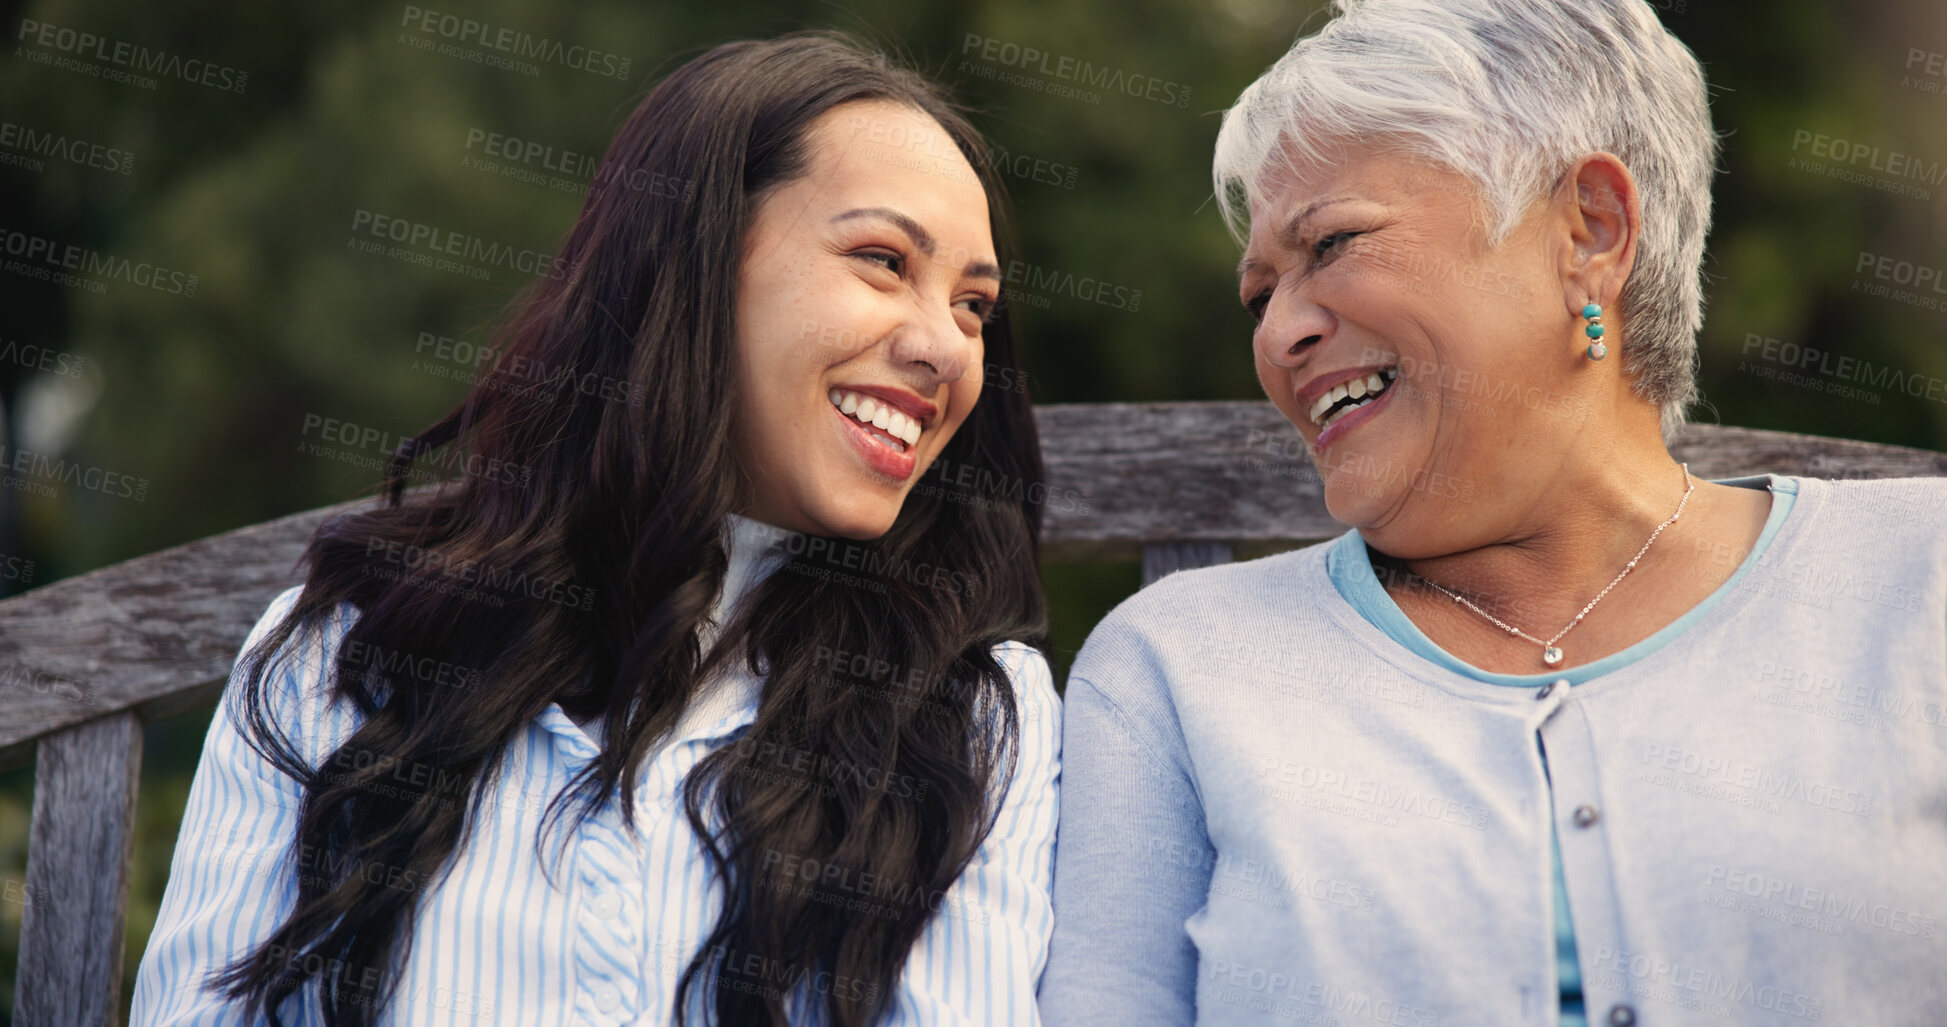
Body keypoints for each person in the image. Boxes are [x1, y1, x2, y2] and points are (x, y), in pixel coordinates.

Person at [1039, 1, 1947, 1025]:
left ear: (1590, 232)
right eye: (1260, 294)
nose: (1280, 332)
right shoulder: (1180, 665)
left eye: (1332, 243)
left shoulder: (1922, 577)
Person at [133, 32, 1060, 1027]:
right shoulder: (349, 652)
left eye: (974, 305)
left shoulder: (967, 715)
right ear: (695, 261)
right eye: (883, 261)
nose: (942, 350)